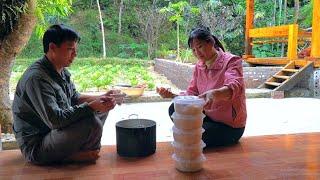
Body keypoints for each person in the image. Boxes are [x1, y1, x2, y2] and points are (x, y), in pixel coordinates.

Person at [12, 24, 124, 165]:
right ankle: (71, 155)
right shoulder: (37, 78)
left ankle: (77, 152)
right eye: (70, 49)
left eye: (75, 50)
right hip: (38, 144)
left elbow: (74, 98)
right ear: (52, 48)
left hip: (55, 133)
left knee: (102, 108)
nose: (75, 54)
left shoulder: (61, 70)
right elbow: (55, 120)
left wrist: (103, 97)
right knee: (91, 120)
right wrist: (90, 107)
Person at [157, 27, 247, 148]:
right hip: (206, 117)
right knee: (174, 109)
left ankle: (192, 136)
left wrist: (214, 94)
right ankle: (191, 135)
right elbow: (192, 93)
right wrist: (172, 95)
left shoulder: (231, 61)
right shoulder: (199, 66)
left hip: (229, 126)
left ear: (211, 42)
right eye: (193, 50)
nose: (197, 53)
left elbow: (236, 86)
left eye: (199, 47)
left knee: (194, 137)